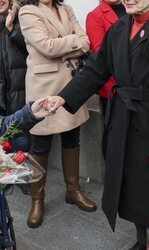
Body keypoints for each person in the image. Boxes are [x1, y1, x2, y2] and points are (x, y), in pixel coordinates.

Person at [47, 0, 149, 249]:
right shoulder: (117, 30)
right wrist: (62, 96)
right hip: (123, 125)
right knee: (132, 191)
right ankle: (142, 240)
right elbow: (95, 70)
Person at [17, 0, 97, 229]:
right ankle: (37, 200)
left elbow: (86, 41)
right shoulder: (27, 10)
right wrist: (74, 43)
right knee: (40, 145)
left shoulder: (65, 8)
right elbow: (46, 46)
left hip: (71, 83)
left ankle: (73, 190)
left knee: (73, 138)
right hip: (44, 85)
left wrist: (71, 44)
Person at [86, 0, 126, 158]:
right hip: (112, 87)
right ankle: (112, 175)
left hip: (135, 85)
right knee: (113, 134)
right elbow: (101, 54)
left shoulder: (131, 9)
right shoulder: (95, 16)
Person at [0, 0, 31, 194]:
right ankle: (6, 173)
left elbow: (31, 48)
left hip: (17, 88)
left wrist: (11, 28)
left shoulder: (21, 19)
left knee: (20, 135)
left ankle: (22, 178)